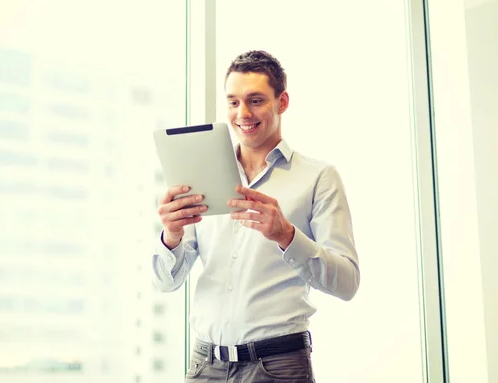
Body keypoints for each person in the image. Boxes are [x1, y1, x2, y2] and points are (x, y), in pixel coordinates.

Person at [152, 50, 360, 382]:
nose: (243, 113)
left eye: (256, 100)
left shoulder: (318, 177)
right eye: (233, 102)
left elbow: (347, 283)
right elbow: (165, 281)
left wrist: (287, 236)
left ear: (282, 101)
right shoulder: (201, 176)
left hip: (278, 366)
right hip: (205, 366)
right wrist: (172, 236)